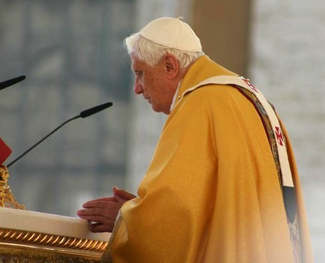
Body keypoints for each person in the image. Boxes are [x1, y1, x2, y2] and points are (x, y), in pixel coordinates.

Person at [77, 17, 313, 263]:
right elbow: (215, 208)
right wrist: (142, 209)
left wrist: (125, 220)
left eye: (140, 73)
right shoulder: (249, 100)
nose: (137, 88)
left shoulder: (200, 105)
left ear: (170, 66)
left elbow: (175, 218)